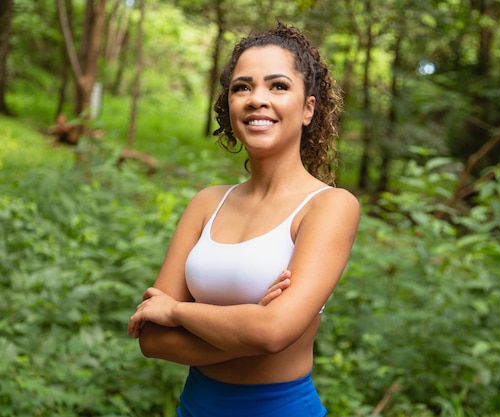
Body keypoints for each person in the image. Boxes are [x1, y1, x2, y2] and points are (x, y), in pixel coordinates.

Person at [127, 22, 360, 417]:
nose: (257, 99)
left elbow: (272, 333)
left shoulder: (330, 206)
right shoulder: (207, 203)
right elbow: (152, 339)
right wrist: (249, 327)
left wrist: (178, 312)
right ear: (229, 104)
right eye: (242, 87)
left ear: (308, 108)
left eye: (278, 86)